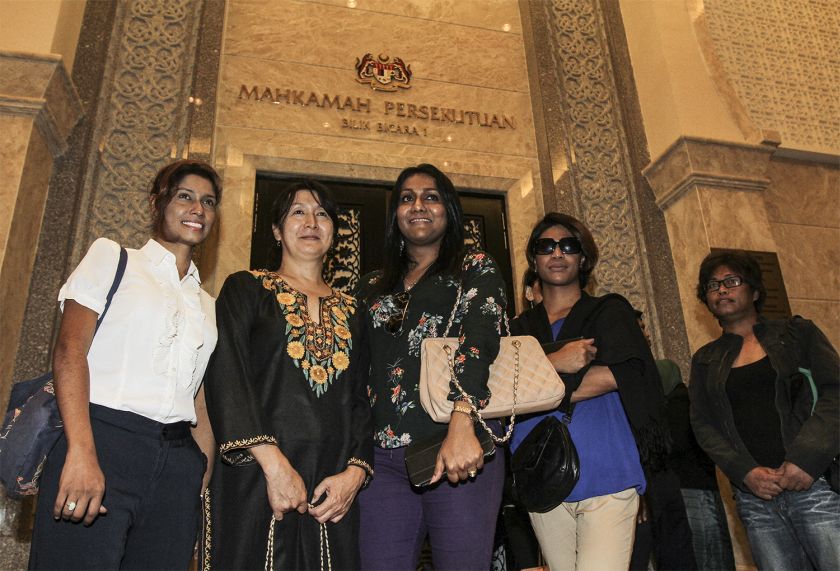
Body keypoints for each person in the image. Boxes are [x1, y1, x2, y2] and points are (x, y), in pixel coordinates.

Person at [28, 159, 222, 570]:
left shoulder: (207, 303)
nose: (198, 209)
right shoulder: (112, 258)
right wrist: (80, 452)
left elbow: (199, 398)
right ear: (157, 203)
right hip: (102, 439)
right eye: (185, 196)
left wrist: (197, 478)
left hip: (176, 461)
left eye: (208, 201)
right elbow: (69, 351)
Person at [202, 180, 373, 570]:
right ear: (278, 230)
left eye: (323, 213)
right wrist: (272, 464)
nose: (311, 221)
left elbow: (364, 400)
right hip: (255, 472)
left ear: (333, 231)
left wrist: (355, 473)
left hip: (333, 488)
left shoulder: (355, 311)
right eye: (298, 212)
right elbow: (226, 374)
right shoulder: (246, 289)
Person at [356, 163, 507, 570]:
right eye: (407, 198)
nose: (418, 205)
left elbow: (479, 341)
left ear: (449, 209)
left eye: (431, 196)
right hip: (380, 457)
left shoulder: (474, 266)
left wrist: (461, 425)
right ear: (395, 214)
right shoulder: (370, 285)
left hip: (456, 448)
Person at [509, 212, 669, 571]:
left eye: (568, 245)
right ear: (534, 259)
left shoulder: (608, 311)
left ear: (583, 258)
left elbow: (620, 375)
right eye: (545, 246)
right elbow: (500, 391)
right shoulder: (517, 329)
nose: (557, 253)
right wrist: (560, 362)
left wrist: (537, 382)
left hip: (607, 468)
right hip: (539, 473)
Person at [689, 250, 839, 570]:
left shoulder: (797, 334)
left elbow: (834, 394)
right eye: (712, 285)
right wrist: (745, 472)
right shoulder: (705, 360)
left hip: (814, 484)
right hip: (756, 499)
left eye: (731, 281)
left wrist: (806, 458)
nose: (722, 290)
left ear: (755, 291)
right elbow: (703, 426)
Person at [630, 311, 697, 571]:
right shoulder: (611, 380)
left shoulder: (660, 374)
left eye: (646, 328)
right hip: (635, 484)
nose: (646, 335)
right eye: (639, 329)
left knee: (678, 554)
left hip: (663, 476)